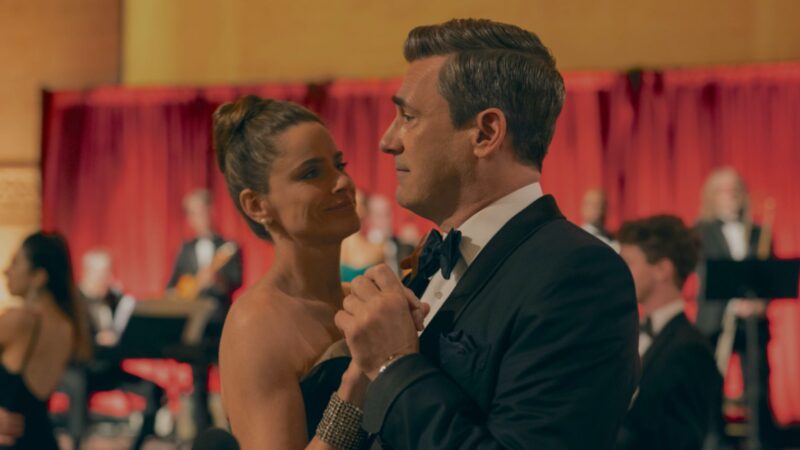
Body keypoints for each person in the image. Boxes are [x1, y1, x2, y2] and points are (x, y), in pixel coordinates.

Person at [334, 19, 640, 449]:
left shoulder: (580, 275)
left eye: (408, 117)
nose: (388, 141)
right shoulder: (433, 258)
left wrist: (394, 363)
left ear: (486, 133)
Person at [212, 95, 428, 450]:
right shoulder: (255, 324)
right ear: (257, 205)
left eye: (339, 165)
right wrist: (358, 381)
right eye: (311, 173)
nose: (342, 182)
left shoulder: (362, 298)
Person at [616, 215, 721, 450]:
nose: (619, 272)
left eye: (629, 263)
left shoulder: (691, 348)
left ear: (662, 269)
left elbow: (684, 440)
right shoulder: (626, 333)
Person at [694, 167, 776, 448]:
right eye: (724, 191)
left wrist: (760, 301)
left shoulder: (759, 232)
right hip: (716, 320)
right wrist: (731, 302)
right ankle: (714, 439)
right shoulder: (700, 231)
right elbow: (704, 273)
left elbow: (769, 275)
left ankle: (759, 439)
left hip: (752, 321)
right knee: (712, 382)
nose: (731, 196)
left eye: (735, 190)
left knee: (757, 382)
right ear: (712, 196)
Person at [59, 249, 165, 450]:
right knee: (78, 385)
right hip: (78, 368)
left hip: (107, 368)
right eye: (101, 274)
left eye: (109, 273)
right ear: (87, 273)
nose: (106, 279)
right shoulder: (73, 301)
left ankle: (138, 444)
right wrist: (95, 340)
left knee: (153, 389)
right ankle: (76, 443)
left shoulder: (114, 299)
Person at [0, 232, 92, 449]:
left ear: (39, 277)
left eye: (16, 263)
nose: (6, 271)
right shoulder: (68, 326)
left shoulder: (20, 320)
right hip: (42, 440)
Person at [166, 188, 243, 432]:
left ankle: (234, 430)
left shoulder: (229, 247)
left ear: (212, 211)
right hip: (196, 323)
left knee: (229, 378)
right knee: (198, 379)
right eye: (193, 213)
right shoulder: (185, 249)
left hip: (221, 321)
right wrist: (187, 288)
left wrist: (217, 280)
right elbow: (172, 286)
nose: (199, 217)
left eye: (202, 211)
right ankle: (201, 434)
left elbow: (237, 279)